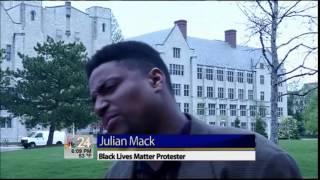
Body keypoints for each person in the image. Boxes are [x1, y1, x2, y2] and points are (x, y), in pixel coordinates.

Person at [85, 41, 302, 178]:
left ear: (155, 80)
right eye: (94, 99)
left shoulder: (258, 162)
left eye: (109, 88)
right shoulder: (116, 173)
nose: (98, 107)